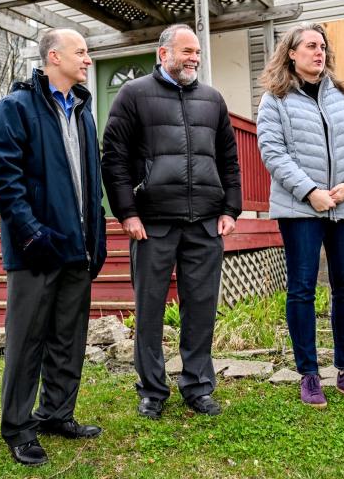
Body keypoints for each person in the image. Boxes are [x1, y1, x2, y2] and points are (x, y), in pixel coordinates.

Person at [102, 23, 242, 419]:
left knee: (200, 308)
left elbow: (228, 160)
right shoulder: (133, 95)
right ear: (163, 53)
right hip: (152, 223)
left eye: (197, 52)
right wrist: (127, 212)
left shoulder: (212, 101)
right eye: (187, 51)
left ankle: (198, 386)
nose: (194, 58)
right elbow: (113, 157)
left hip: (205, 223)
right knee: (148, 310)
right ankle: (152, 390)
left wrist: (231, 208)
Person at [0, 28, 107, 466]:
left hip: (77, 248)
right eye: (82, 52)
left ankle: (56, 414)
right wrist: (32, 232)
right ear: (54, 57)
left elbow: (91, 182)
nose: (88, 60)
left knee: (68, 338)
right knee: (27, 341)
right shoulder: (16, 108)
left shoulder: (85, 112)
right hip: (35, 249)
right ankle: (18, 428)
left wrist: (98, 236)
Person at [255, 22, 344, 408]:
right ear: (291, 52)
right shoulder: (275, 99)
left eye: (322, 46)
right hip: (300, 209)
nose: (318, 52)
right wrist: (311, 192)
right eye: (310, 46)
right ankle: (309, 375)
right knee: (302, 289)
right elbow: (273, 153)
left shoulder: (343, 96)